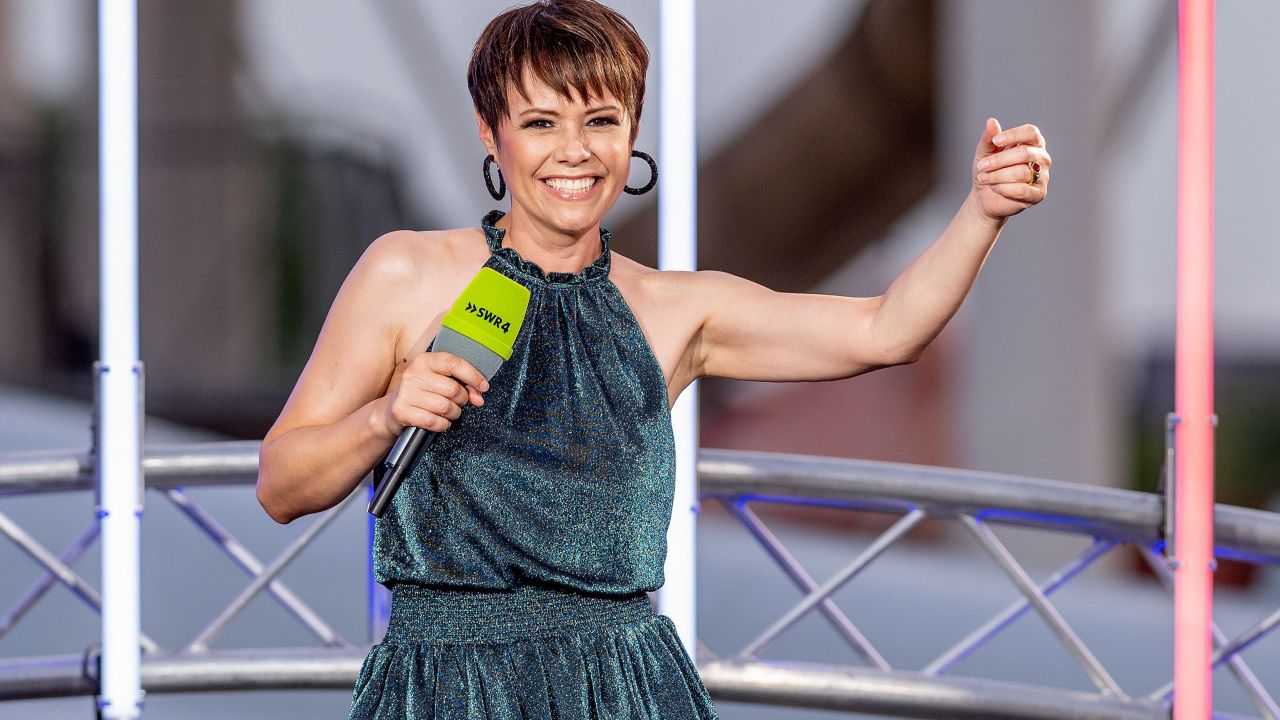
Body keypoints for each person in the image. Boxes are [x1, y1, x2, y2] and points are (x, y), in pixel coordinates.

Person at [255, 1, 1052, 717]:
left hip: (624, 687)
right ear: (490, 132)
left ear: (633, 131)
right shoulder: (404, 272)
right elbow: (281, 484)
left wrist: (982, 212)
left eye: (601, 120)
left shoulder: (676, 309)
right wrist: (382, 417)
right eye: (541, 123)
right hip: (446, 687)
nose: (575, 152)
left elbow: (886, 330)